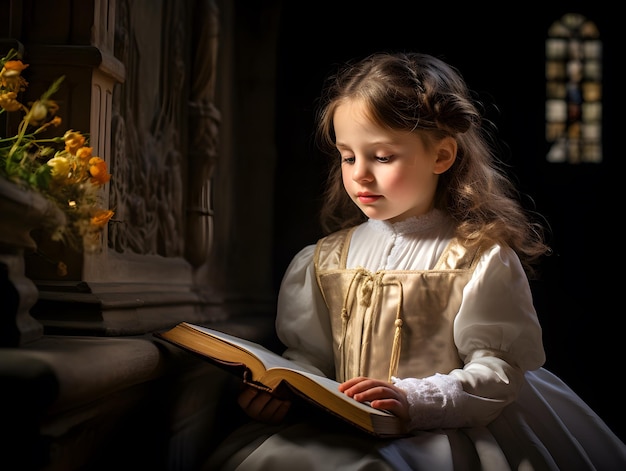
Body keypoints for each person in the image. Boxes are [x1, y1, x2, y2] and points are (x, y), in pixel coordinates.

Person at [206, 51, 626, 470]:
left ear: (442, 156)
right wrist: (282, 393)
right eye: (348, 156)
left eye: (383, 157)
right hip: (338, 428)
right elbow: (310, 358)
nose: (359, 175)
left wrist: (413, 400)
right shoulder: (324, 260)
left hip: (444, 431)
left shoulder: (478, 257)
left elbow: (498, 370)